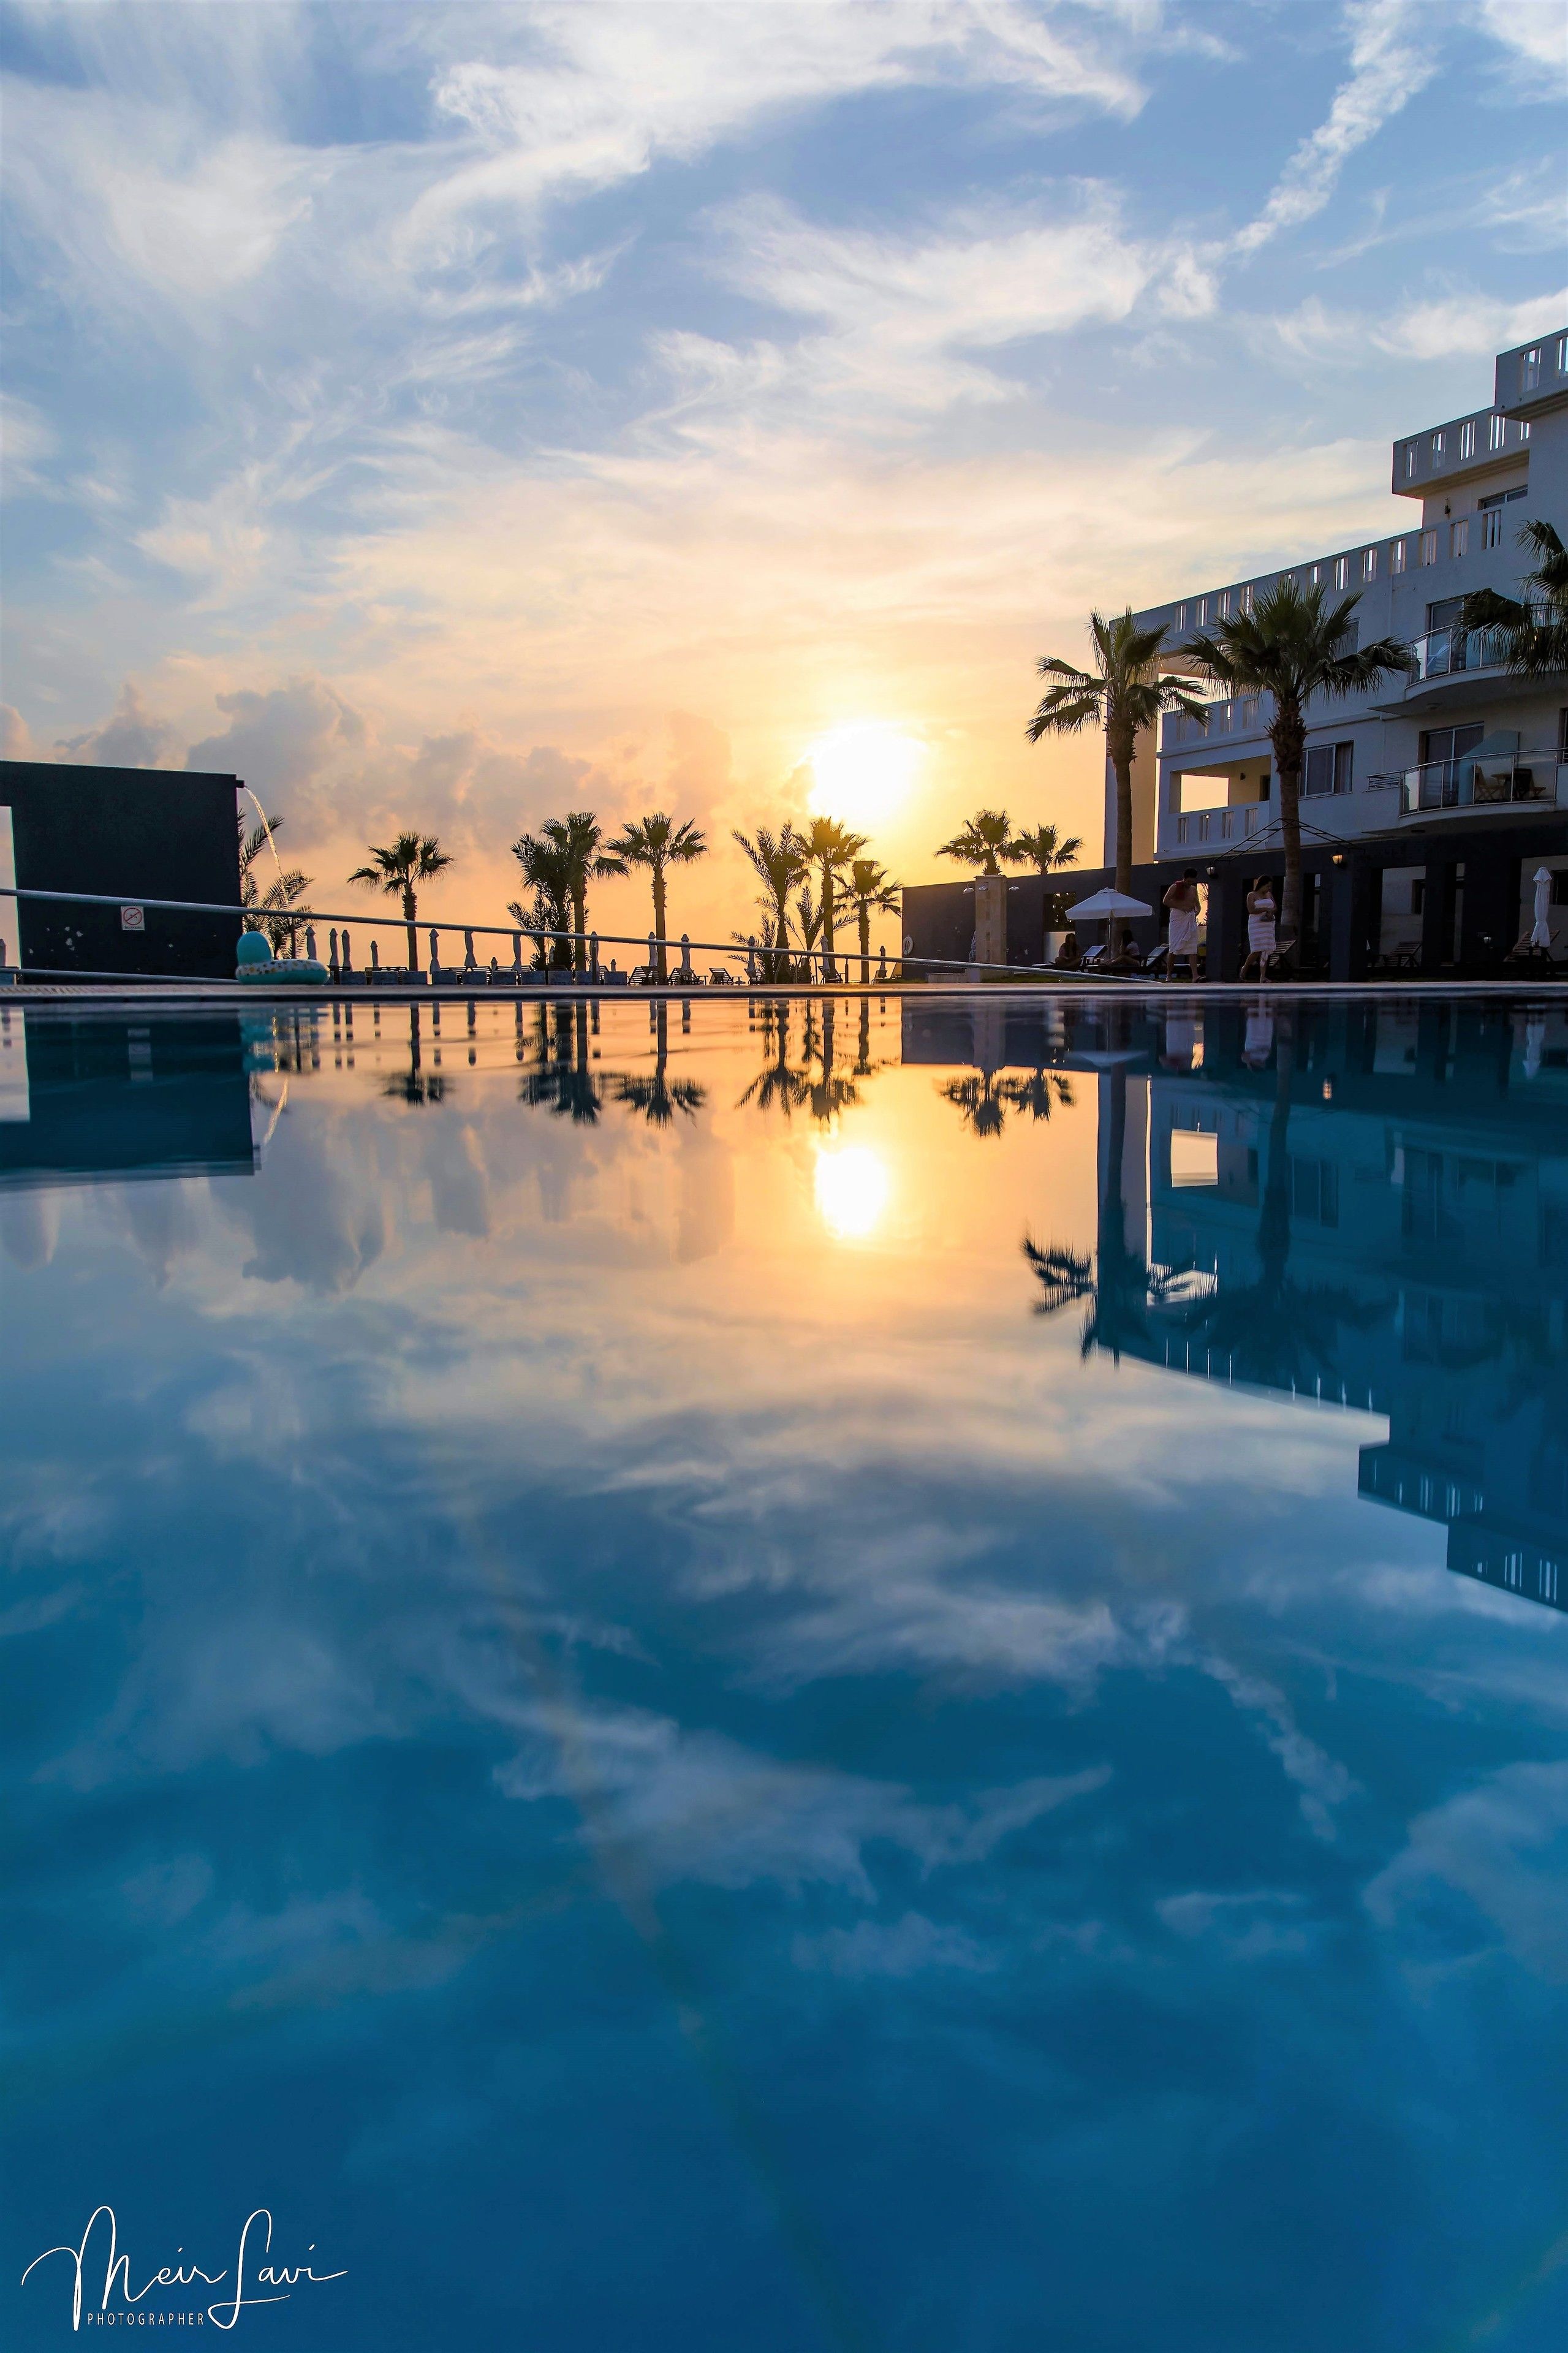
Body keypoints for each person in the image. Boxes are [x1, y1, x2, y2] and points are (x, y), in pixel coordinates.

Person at [1162, 868, 1203, 980]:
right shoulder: (1175, 887)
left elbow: (1197, 905)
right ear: (1184, 879)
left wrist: (1197, 912)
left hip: (1190, 918)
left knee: (1192, 948)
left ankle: (1195, 976)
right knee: (1174, 948)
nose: (1190, 884)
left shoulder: (1194, 889)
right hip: (1178, 917)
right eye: (1188, 881)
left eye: (1192, 882)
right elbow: (1165, 901)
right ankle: (1169, 975)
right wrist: (1181, 907)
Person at [1241, 875, 1278, 980]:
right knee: (1256, 950)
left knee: (1265, 950)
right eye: (1267, 886)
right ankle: (1245, 968)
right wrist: (1266, 909)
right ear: (1261, 885)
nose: (1269, 888)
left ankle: (1263, 976)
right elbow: (1251, 910)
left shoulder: (1269, 894)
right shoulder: (1251, 895)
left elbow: (1275, 907)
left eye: (1270, 886)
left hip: (1268, 924)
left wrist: (1271, 912)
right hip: (1256, 924)